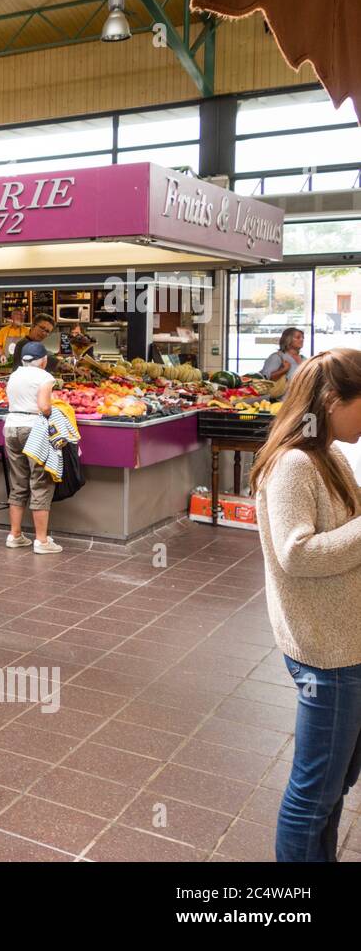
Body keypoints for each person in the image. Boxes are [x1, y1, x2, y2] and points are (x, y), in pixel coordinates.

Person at [249, 348, 361, 862]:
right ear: (334, 401)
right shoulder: (294, 464)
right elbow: (297, 554)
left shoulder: (331, 454)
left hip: (346, 639)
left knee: (334, 784)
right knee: (313, 794)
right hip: (327, 651)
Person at [3, 341, 61, 554]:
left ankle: (15, 535)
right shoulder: (44, 376)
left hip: (11, 428)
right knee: (40, 482)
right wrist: (52, 413)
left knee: (18, 482)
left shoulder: (15, 375)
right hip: (33, 430)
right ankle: (42, 541)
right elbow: (44, 406)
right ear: (44, 360)